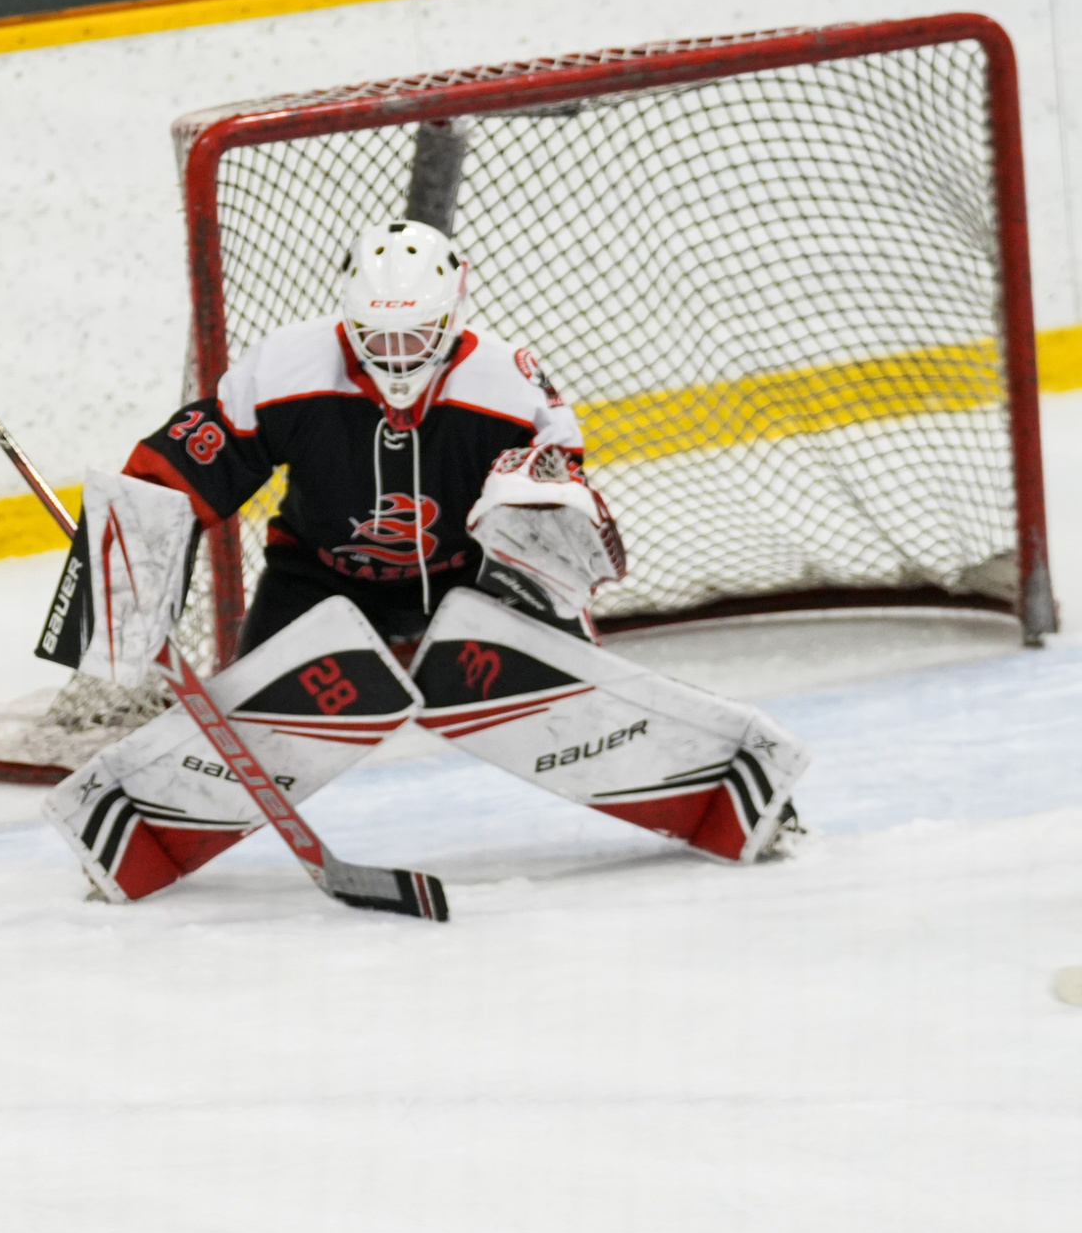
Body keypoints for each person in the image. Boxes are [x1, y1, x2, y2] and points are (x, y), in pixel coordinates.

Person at [46, 217, 807, 900]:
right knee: (256, 725)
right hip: (318, 575)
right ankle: (134, 832)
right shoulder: (284, 368)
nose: (395, 355)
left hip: (465, 579)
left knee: (566, 657)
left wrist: (543, 568)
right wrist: (130, 561)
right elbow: (189, 463)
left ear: (455, 317)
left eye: (416, 337)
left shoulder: (510, 381)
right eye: (376, 337)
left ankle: (721, 787)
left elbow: (560, 492)